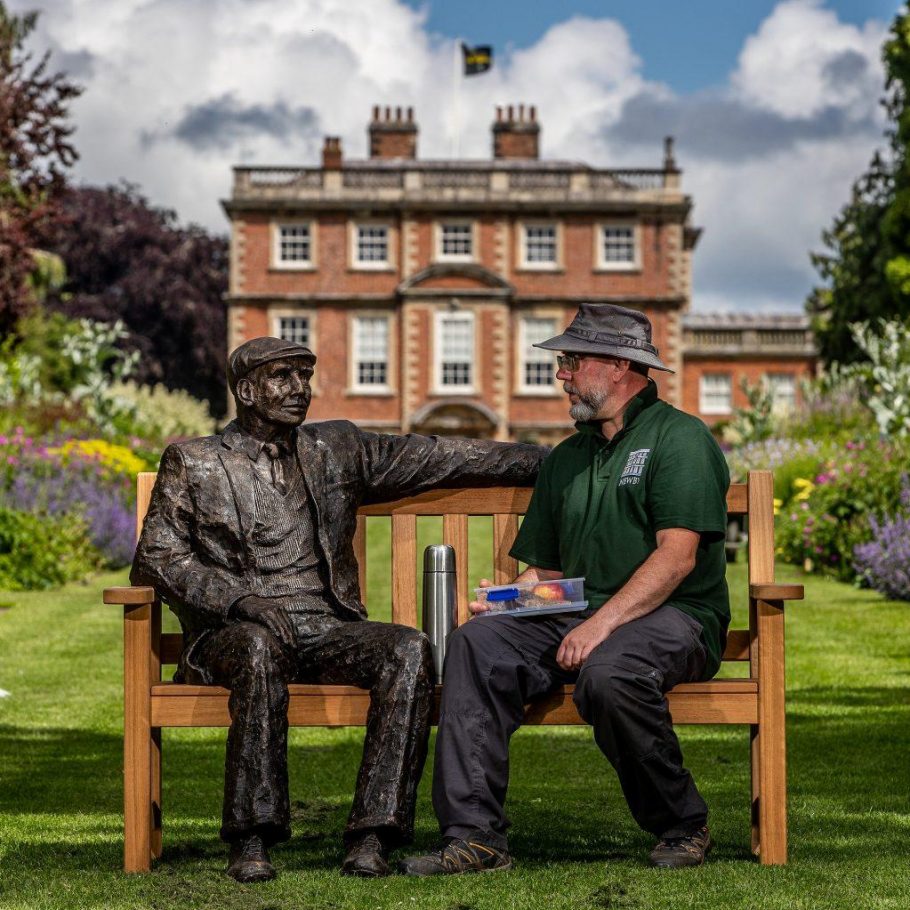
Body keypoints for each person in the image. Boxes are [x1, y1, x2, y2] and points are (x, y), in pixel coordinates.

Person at [131, 336, 546, 883]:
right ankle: (251, 838)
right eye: (284, 378)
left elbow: (439, 456)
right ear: (247, 390)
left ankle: (373, 835)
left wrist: (553, 461)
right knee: (258, 647)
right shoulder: (196, 461)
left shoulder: (336, 448)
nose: (300, 390)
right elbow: (156, 559)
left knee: (406, 649)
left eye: (306, 377)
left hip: (325, 629)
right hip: (235, 633)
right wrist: (239, 600)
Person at [401, 303, 730, 875]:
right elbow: (550, 574)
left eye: (573, 361)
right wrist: (508, 600)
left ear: (618, 365)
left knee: (610, 673)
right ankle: (475, 836)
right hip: (578, 614)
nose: (562, 374)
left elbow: (677, 559)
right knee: (479, 643)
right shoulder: (568, 459)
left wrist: (599, 626)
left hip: (676, 616)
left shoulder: (681, 439)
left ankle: (682, 823)